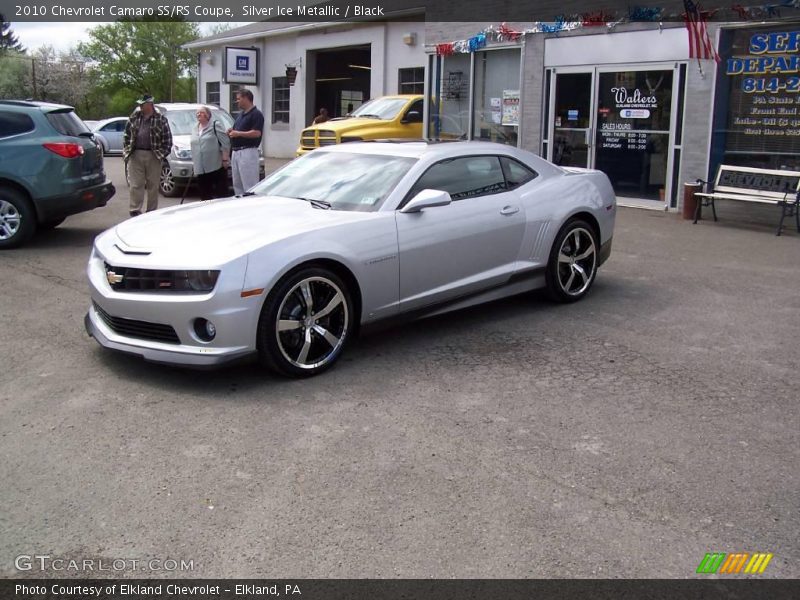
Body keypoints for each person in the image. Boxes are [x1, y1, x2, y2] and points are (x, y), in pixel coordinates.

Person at [123, 94, 172, 217]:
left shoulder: (160, 119)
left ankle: (151, 211)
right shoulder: (134, 117)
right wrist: (127, 151)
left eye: (142, 104)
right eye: (140, 104)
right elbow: (126, 136)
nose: (140, 106)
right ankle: (135, 209)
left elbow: (168, 140)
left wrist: (161, 155)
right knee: (136, 184)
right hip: (136, 154)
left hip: (154, 155)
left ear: (150, 105)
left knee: (153, 185)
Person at [227, 89, 264, 196]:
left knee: (249, 184)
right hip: (236, 152)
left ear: (246, 98)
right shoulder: (240, 116)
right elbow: (236, 130)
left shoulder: (256, 114)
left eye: (239, 99)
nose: (237, 101)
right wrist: (231, 131)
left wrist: (238, 133)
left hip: (247, 151)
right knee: (237, 184)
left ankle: (251, 205)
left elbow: (257, 133)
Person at [190, 106, 231, 200]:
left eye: (202, 112)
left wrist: (225, 159)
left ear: (208, 115)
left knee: (220, 194)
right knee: (204, 195)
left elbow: (225, 142)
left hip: (215, 166)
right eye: (197, 113)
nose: (199, 114)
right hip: (200, 168)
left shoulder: (215, 125)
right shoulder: (195, 128)